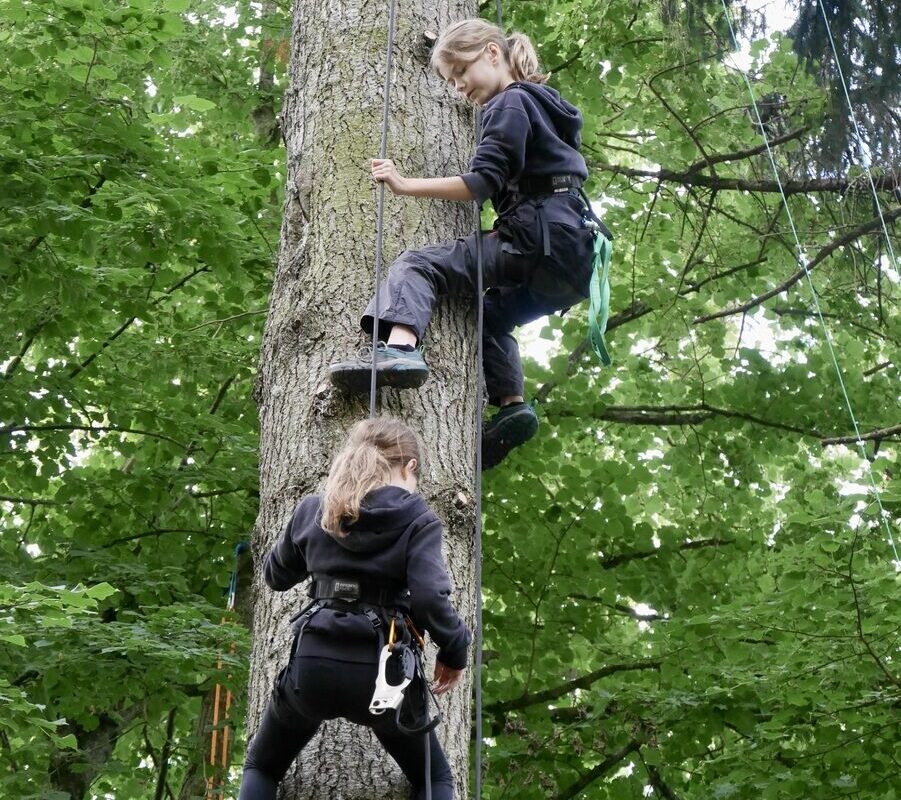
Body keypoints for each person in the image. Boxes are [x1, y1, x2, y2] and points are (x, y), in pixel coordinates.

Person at [329, 18, 611, 469]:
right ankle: (512, 404)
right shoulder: (545, 109)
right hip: (574, 261)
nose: (458, 86)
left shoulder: (510, 103)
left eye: (461, 71)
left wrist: (404, 184)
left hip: (535, 239)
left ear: (493, 54)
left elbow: (480, 183)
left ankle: (398, 351)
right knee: (486, 316)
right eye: (451, 80)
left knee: (420, 264)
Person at [238, 418, 471, 800]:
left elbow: (276, 576)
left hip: (313, 669)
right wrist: (455, 650)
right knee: (435, 779)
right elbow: (429, 599)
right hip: (383, 676)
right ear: (409, 467)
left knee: (262, 767)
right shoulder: (418, 519)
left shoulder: (316, 509)